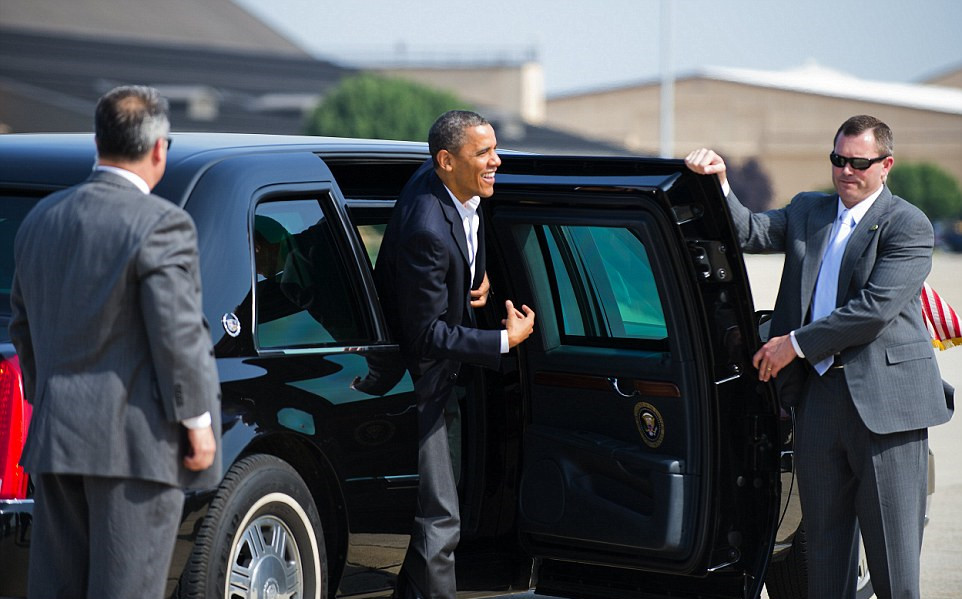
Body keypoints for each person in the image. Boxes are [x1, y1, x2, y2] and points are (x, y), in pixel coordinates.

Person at [685, 115, 951, 599]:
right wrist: (720, 183)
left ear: (885, 165)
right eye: (837, 159)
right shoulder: (810, 209)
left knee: (893, 569)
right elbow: (749, 232)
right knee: (822, 564)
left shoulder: (907, 224)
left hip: (886, 409)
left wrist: (794, 344)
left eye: (858, 162)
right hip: (819, 400)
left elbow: (873, 311)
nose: (845, 171)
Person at [9, 85, 221, 599]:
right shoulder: (162, 223)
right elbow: (177, 332)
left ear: (99, 142)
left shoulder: (41, 218)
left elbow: (23, 325)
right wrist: (197, 422)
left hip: (57, 438)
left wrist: (46, 397)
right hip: (135, 443)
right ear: (158, 149)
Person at [372, 110, 535, 599]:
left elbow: (465, 250)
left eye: (495, 148)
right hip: (419, 387)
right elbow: (425, 335)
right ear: (445, 161)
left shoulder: (457, 190)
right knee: (440, 520)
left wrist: (469, 287)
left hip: (444, 379)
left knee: (437, 518)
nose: (496, 162)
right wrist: (505, 341)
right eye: (483, 153)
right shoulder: (427, 227)